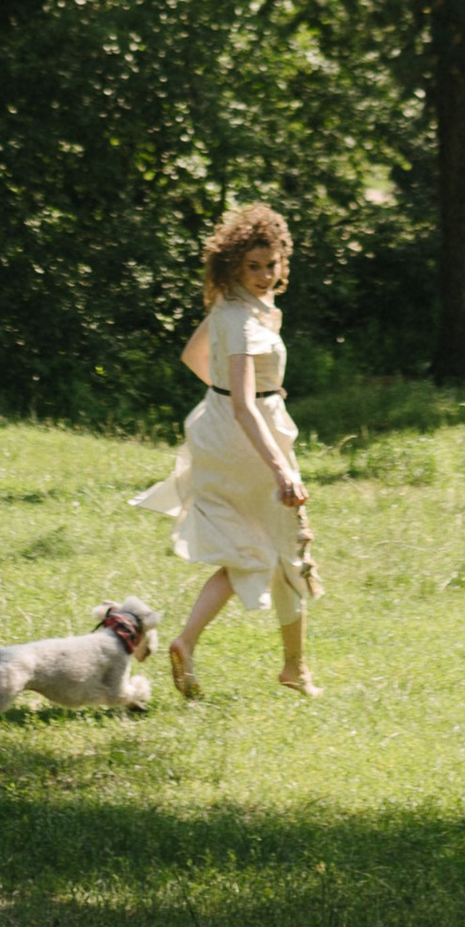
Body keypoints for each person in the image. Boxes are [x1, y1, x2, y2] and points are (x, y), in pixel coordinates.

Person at [130, 198, 320, 698]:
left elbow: (193, 356)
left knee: (254, 550)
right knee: (282, 548)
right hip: (247, 438)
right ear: (234, 264)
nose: (263, 275)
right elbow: (242, 404)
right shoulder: (242, 319)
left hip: (222, 428)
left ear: (282, 261)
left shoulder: (236, 306)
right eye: (252, 267)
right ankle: (293, 668)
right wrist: (281, 468)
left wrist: (261, 388)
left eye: (270, 265)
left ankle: (194, 644)